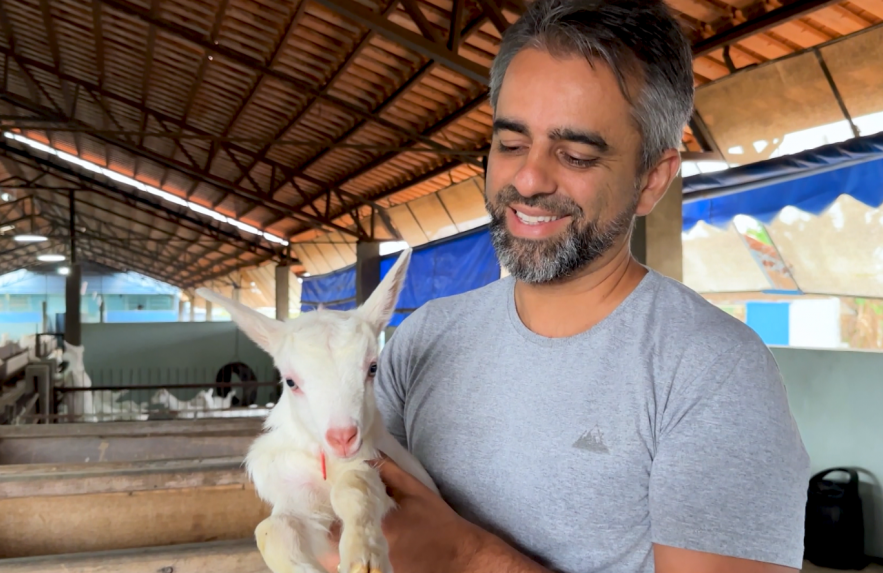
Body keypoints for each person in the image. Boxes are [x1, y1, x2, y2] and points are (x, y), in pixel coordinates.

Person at [320, 0, 811, 571]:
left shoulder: (710, 371)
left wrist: (465, 555)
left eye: (575, 154)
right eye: (509, 144)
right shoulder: (424, 338)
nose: (528, 178)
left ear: (652, 180)